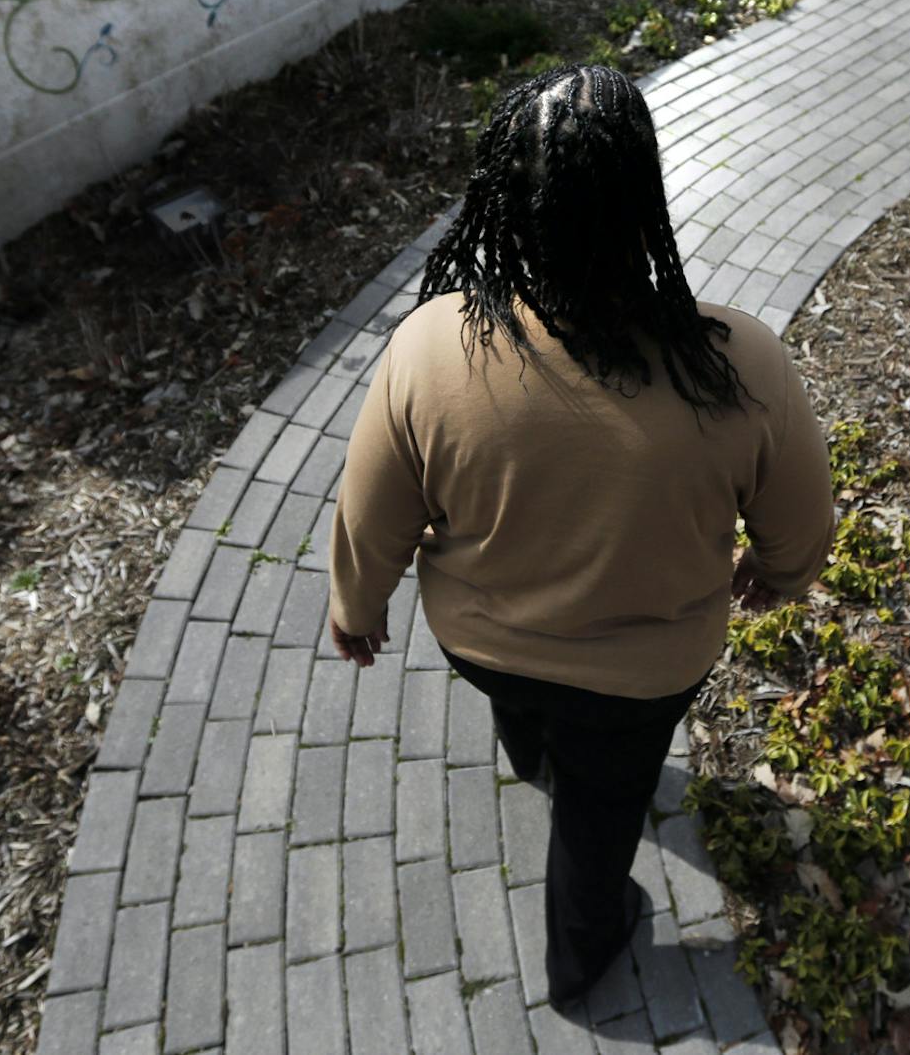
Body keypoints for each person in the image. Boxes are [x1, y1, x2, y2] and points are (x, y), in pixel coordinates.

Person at [323, 63, 836, 1008]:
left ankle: (532, 758)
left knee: (530, 719)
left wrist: (355, 610)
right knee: (602, 814)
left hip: (485, 645)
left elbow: (370, 515)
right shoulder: (740, 365)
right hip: (644, 676)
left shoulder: (432, 343)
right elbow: (802, 530)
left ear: (502, 204)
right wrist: (778, 574)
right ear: (645, 197)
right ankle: (579, 964)